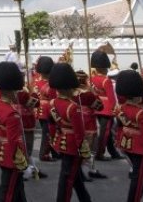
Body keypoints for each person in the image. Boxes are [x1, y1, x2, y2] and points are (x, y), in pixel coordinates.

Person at [114, 70, 143, 202]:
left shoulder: (119, 108)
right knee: (138, 181)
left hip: (125, 142)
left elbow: (119, 127)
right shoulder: (141, 113)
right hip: (140, 147)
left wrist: (118, 142)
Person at [48, 63, 92, 202]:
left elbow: (52, 125)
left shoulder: (53, 102)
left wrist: (54, 140)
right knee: (67, 179)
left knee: (74, 176)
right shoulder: (73, 107)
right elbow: (80, 133)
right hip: (73, 146)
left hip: (61, 141)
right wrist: (85, 152)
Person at [0, 62, 28, 202]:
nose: (17, 93)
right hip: (12, 157)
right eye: (16, 91)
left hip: (2, 152)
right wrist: (23, 162)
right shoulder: (12, 114)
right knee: (8, 192)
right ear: (10, 90)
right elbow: (14, 142)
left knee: (17, 188)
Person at [90, 50, 124, 161]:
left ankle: (113, 152)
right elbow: (111, 97)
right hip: (106, 108)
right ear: (105, 67)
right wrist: (115, 108)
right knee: (105, 133)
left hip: (95, 106)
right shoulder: (106, 81)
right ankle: (99, 153)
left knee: (107, 132)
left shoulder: (91, 79)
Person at [33, 56, 57, 162]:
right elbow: (53, 99)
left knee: (48, 132)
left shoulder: (36, 82)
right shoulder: (51, 84)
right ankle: (44, 154)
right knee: (48, 133)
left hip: (39, 109)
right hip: (49, 110)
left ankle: (54, 151)